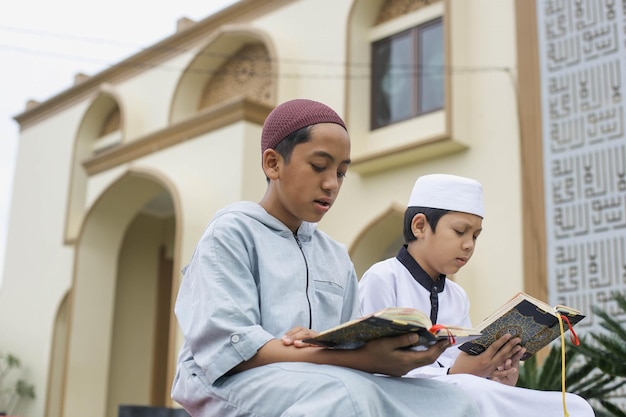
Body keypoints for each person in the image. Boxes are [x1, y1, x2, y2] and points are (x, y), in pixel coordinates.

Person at [171, 100, 481, 416]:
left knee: (456, 402)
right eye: (319, 166)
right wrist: (356, 359)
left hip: (325, 376)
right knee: (347, 394)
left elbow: (343, 345)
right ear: (273, 163)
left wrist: (388, 354)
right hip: (232, 384)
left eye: (342, 172)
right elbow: (231, 350)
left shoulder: (334, 255)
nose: (331, 183)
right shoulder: (232, 232)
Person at [359, 173, 595, 417]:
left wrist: (496, 374)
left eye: (475, 236)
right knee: (473, 391)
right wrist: (456, 375)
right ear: (419, 226)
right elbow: (377, 368)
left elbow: (459, 364)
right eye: (460, 231)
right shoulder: (383, 278)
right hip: (399, 398)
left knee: (576, 406)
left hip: (458, 390)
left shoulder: (457, 295)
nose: (469, 245)